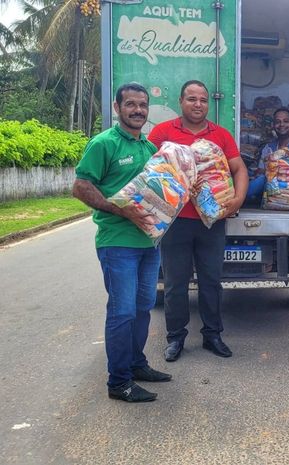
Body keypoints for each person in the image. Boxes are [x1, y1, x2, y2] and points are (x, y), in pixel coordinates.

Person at [72, 82, 172, 402]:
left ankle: (136, 363)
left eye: (142, 105)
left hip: (148, 244)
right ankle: (119, 382)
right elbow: (81, 187)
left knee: (143, 308)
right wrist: (123, 211)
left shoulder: (149, 149)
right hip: (117, 244)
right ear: (117, 108)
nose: (138, 110)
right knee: (122, 312)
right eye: (130, 104)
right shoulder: (104, 143)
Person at [148, 80, 249, 362]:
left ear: (208, 103)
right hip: (176, 221)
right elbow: (148, 171)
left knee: (211, 281)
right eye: (192, 99)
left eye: (203, 100)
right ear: (181, 101)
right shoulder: (163, 132)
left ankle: (212, 335)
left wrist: (238, 199)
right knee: (175, 284)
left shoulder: (221, 135)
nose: (198, 104)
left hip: (212, 222)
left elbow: (239, 169)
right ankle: (175, 338)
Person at [246, 107, 289, 198]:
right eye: (277, 122)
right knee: (262, 179)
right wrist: (270, 165)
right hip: (271, 190)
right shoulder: (269, 148)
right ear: (273, 125)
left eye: (286, 121)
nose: (281, 124)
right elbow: (260, 173)